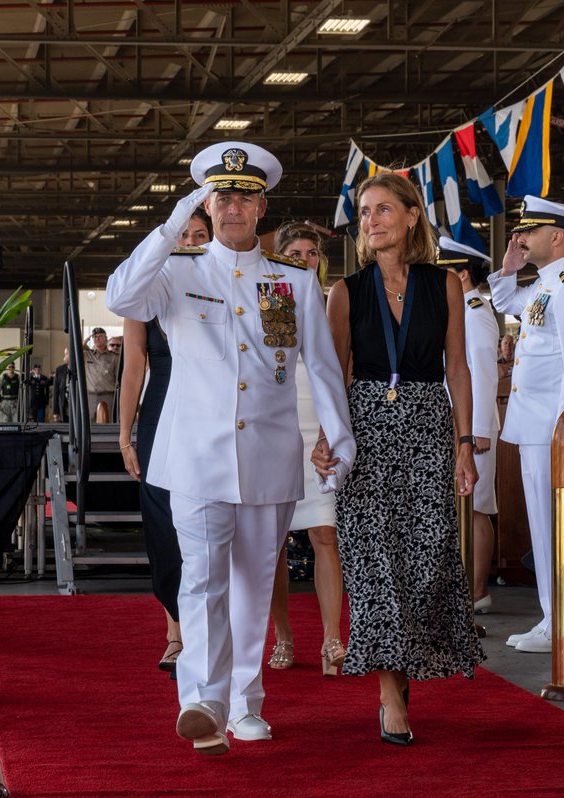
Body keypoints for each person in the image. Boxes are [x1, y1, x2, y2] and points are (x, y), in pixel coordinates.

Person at [106, 141, 355, 756]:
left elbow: (322, 368)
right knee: (201, 579)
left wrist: (339, 439)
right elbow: (119, 296)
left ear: (262, 204)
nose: (233, 206)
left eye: (244, 195)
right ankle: (202, 700)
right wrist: (171, 224)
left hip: (269, 458)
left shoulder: (292, 281)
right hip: (194, 456)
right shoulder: (177, 271)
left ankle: (245, 704)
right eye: (222, 195)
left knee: (251, 584)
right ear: (207, 203)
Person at [323, 172, 482, 746]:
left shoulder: (444, 286)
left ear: (413, 217)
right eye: (365, 212)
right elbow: (332, 376)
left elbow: (458, 368)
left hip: (427, 430)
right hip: (364, 435)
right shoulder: (345, 291)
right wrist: (328, 437)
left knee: (426, 559)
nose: (372, 221)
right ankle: (390, 694)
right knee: (374, 567)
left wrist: (465, 445)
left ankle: (406, 663)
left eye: (384, 209)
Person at [488, 196, 564, 654]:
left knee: (556, 529)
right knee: (543, 527)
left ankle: (563, 621)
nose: (522, 237)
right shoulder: (544, 285)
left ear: (556, 237)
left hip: (553, 430)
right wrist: (510, 264)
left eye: (529, 232)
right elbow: (503, 300)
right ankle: (553, 617)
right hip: (536, 427)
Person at [116, 207, 212, 676]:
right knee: (161, 517)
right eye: (184, 234)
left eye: (200, 234)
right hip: (160, 409)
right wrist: (125, 431)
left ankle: (211, 631)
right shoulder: (150, 288)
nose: (191, 241)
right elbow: (134, 365)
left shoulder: (224, 282)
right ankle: (175, 632)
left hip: (211, 410)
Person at [265, 221, 347, 677]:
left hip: (321, 424)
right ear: (279, 256)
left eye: (311, 252)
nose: (303, 258)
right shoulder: (273, 297)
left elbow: (342, 368)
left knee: (324, 535)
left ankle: (333, 639)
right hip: (277, 427)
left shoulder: (333, 298)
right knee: (273, 543)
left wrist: (330, 430)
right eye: (294, 252)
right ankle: (284, 637)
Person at [437, 236, 500, 614]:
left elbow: (484, 376)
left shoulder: (475, 313)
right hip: (461, 426)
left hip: (473, 430)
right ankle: (465, 587)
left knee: (476, 509)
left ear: (462, 274)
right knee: (464, 508)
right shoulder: (460, 311)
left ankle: (477, 591)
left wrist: (474, 431)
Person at [83, 326, 120, 422]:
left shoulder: (114, 357)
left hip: (108, 395)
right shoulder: (87, 354)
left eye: (100, 336)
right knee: (89, 425)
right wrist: (82, 344)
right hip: (90, 396)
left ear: (106, 339)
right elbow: (68, 359)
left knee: (107, 424)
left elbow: (119, 378)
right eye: (94, 337)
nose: (97, 339)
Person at [53, 347, 70, 422]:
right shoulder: (60, 369)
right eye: (65, 354)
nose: (65, 356)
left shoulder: (80, 368)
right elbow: (56, 392)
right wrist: (55, 412)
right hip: (64, 408)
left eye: (67, 354)